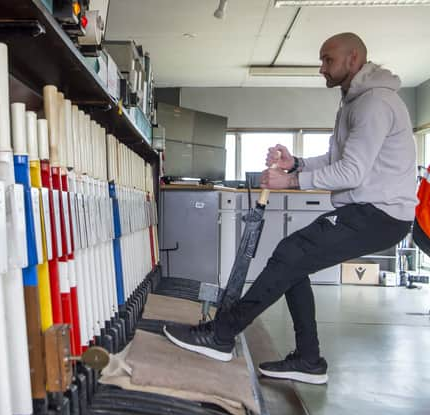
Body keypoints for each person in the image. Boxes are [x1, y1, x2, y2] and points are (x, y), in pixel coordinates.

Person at [163, 32, 417, 384]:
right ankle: (308, 360)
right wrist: (295, 163)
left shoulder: (374, 103)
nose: (321, 68)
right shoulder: (354, 102)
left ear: (353, 59)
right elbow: (335, 158)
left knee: (290, 253)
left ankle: (222, 335)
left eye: (328, 60)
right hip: (371, 211)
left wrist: (290, 182)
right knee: (293, 258)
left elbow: (351, 171)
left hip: (380, 214)